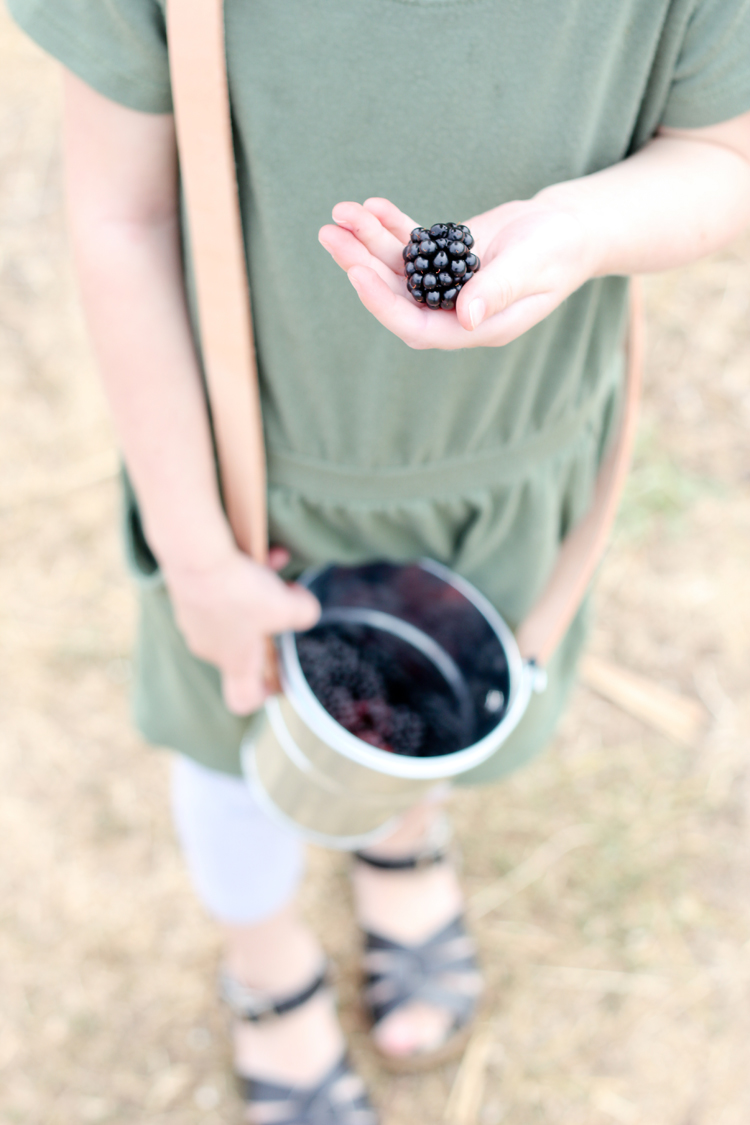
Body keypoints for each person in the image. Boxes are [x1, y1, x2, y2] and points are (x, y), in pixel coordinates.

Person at [8, 0, 750, 1120]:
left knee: (425, 712)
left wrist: (579, 226)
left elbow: (727, 153)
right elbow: (123, 215)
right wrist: (197, 553)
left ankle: (400, 844)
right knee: (236, 749)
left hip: (509, 450)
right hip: (253, 484)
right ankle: (265, 964)